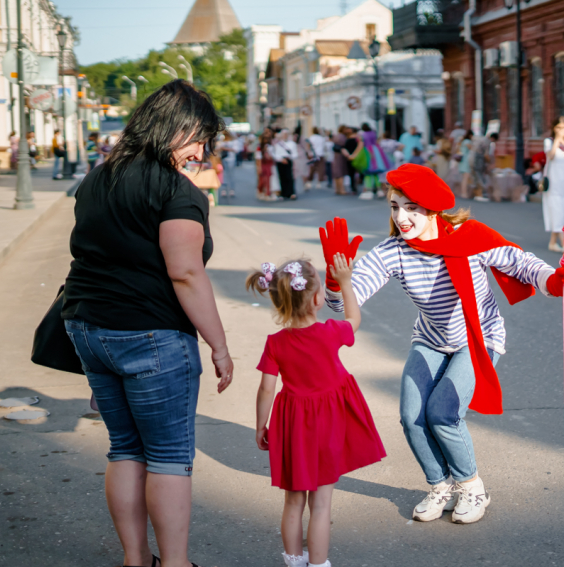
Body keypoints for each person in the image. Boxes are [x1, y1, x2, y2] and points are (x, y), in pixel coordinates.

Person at [320, 165, 564, 526]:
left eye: (411, 207)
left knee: (442, 414)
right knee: (412, 416)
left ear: (431, 208)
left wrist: (556, 279)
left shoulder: (468, 237)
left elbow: (519, 262)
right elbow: (345, 305)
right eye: (395, 207)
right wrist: (337, 283)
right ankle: (439, 485)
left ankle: (472, 486)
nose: (401, 217)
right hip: (430, 338)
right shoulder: (393, 252)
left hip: (478, 338)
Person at [62, 79, 233, 567]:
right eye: (199, 138)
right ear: (175, 129)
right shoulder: (177, 192)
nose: (202, 151)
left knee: (125, 450)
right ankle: (176, 564)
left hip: (89, 327)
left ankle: (135, 560)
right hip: (152, 336)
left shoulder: (98, 177)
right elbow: (185, 272)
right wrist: (219, 346)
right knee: (169, 457)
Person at [247, 257, 385, 567]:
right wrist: (346, 283)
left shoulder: (275, 343)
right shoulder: (331, 331)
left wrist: (260, 426)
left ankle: (294, 560)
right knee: (321, 504)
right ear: (317, 298)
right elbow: (355, 319)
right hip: (329, 424)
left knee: (293, 501)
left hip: (294, 425)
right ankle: (318, 564)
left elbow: (266, 388)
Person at [542, 117, 564, 253]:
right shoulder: (549, 142)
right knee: (556, 208)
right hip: (553, 180)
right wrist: (557, 139)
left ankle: (552, 242)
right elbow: (550, 156)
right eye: (559, 127)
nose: (561, 130)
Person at [357, 123, 391, 199]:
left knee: (368, 172)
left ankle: (368, 190)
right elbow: (376, 142)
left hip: (367, 152)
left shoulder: (362, 135)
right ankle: (379, 190)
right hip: (376, 152)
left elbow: (361, 145)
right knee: (376, 172)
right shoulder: (373, 133)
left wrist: (355, 155)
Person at [273, 129, 299, 200]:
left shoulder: (292, 144)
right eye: (283, 134)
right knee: (282, 177)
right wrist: (281, 159)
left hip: (288, 161)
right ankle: (283, 193)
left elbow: (295, 154)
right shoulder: (278, 144)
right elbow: (275, 154)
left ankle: (291, 192)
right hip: (280, 162)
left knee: (289, 177)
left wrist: (288, 158)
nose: (285, 136)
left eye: (286, 134)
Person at [255, 128, 275, 201]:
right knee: (262, 180)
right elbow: (258, 158)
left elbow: (273, 156)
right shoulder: (259, 147)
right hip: (262, 164)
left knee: (268, 179)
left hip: (269, 163)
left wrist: (269, 153)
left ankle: (267, 193)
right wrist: (259, 167)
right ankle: (260, 191)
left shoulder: (270, 147)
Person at [219, 132, 237, 199]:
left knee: (231, 175)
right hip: (224, 159)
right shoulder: (222, 141)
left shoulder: (234, 142)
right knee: (224, 175)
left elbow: (236, 149)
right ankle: (224, 189)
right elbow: (219, 148)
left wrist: (226, 148)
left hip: (231, 159)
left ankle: (232, 189)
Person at [331, 126, 349, 196]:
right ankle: (341, 189)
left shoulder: (336, 136)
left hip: (336, 155)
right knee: (340, 172)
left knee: (337, 173)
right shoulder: (342, 137)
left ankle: (337, 189)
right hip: (341, 155)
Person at [457, 130, 473, 198]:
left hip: (462, 160)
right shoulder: (467, 141)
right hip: (466, 160)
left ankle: (463, 192)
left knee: (464, 178)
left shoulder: (462, 141)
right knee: (465, 178)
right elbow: (471, 148)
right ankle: (464, 193)